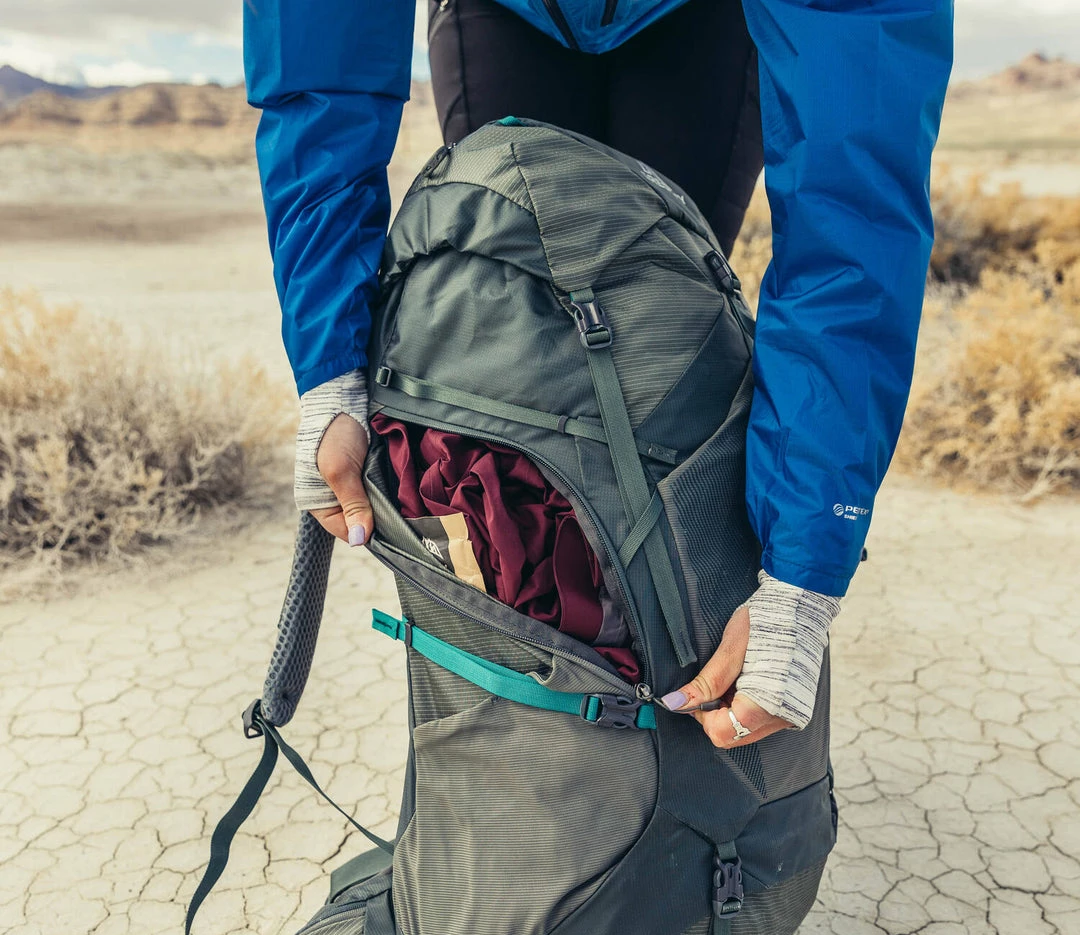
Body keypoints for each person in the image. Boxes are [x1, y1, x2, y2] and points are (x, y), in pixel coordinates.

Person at [243, 0, 953, 750]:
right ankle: (532, 761)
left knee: (671, 391)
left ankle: (676, 768)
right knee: (503, 424)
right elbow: (318, 62)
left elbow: (854, 168)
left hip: (699, 24)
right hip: (503, 13)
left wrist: (807, 562)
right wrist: (331, 368)